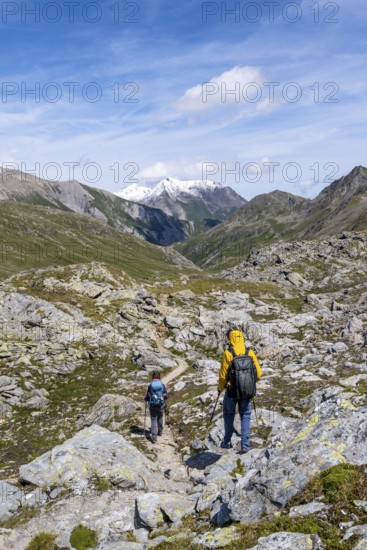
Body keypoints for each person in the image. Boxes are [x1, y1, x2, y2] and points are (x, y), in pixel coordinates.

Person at [218, 327, 262, 454]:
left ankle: (226, 442)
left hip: (231, 391)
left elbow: (222, 376)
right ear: (241, 337)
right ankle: (245, 445)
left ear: (230, 338)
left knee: (228, 415)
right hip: (246, 391)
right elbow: (258, 374)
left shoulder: (228, 353)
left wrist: (220, 389)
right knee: (245, 415)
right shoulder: (250, 352)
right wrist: (249, 383)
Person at [144, 371, 168, 443]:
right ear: (159, 377)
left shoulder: (150, 385)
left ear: (153, 377)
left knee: (153, 419)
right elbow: (166, 395)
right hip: (160, 404)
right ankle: (160, 431)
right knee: (160, 417)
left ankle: (154, 437)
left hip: (152, 404)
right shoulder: (162, 385)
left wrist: (145, 399)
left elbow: (148, 395)